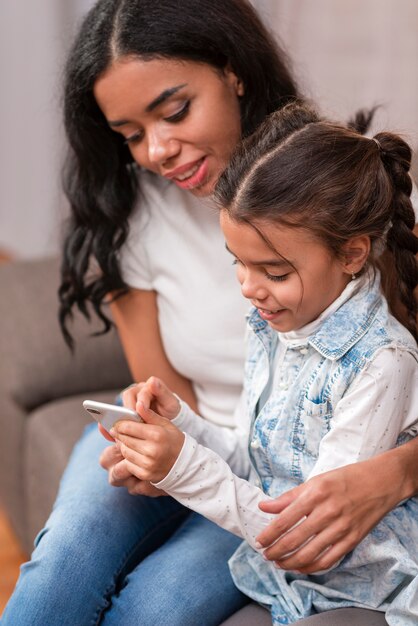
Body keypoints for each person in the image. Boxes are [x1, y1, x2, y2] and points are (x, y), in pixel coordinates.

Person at [0, 0, 416, 624]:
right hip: (206, 445)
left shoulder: (342, 191)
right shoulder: (129, 214)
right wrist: (159, 435)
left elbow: (392, 388)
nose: (157, 151)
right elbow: (164, 389)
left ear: (233, 72)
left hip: (257, 481)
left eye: (174, 111)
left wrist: (400, 472)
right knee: (60, 570)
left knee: (153, 610)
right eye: (131, 135)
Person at [111, 101, 418, 624]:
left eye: (273, 271)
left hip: (361, 587)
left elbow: (309, 539)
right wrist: (181, 424)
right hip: (287, 576)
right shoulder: (276, 323)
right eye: (239, 263)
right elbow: (257, 464)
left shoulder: (383, 363)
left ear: (351, 254)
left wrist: (182, 467)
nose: (250, 288)